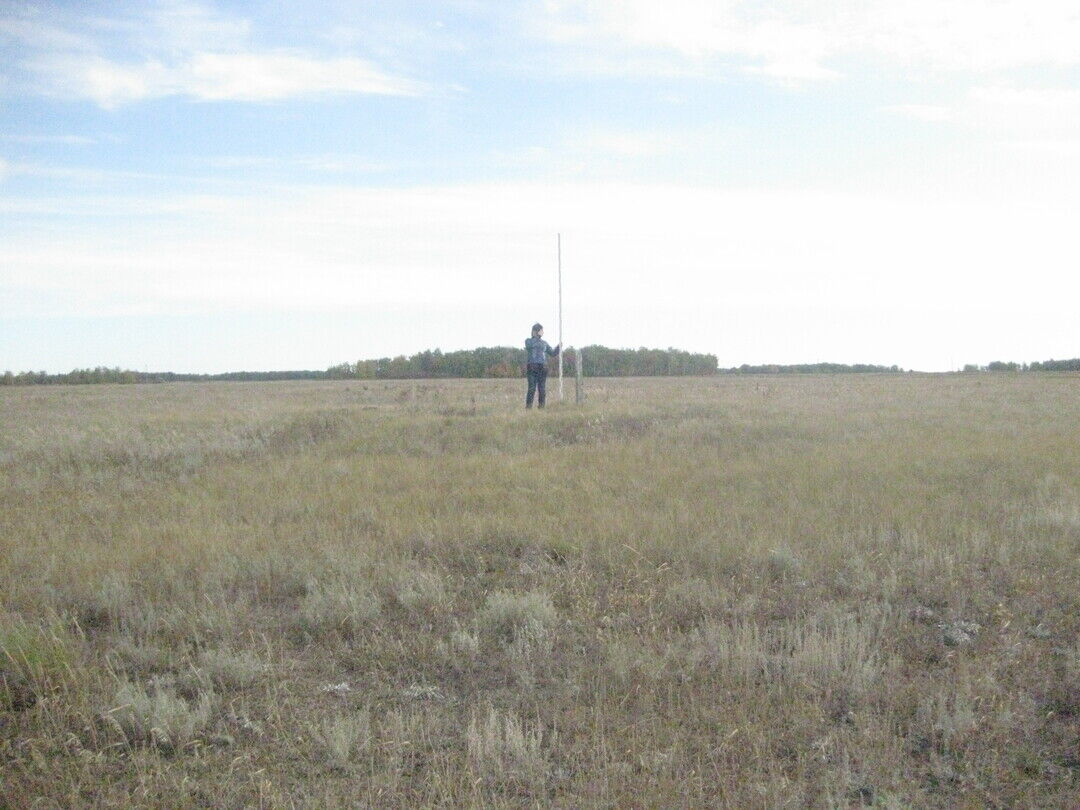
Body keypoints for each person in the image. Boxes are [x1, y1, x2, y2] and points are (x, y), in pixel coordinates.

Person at [524, 323, 560, 409]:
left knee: (542, 389)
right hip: (532, 367)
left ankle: (541, 407)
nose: (543, 332)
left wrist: (559, 347)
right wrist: (535, 336)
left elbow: (552, 353)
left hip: (542, 368)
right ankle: (528, 408)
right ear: (536, 331)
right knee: (531, 389)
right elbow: (531, 345)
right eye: (541, 330)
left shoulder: (544, 343)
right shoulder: (528, 341)